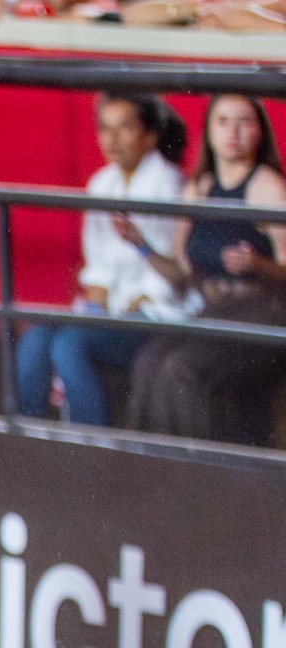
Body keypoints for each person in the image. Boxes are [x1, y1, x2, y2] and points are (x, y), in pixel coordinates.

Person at [14, 92, 189, 427]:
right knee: (35, 337)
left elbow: (174, 268)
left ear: (149, 135)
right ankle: (28, 437)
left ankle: (89, 443)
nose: (112, 140)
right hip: (113, 310)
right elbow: (98, 267)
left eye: (124, 128)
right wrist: (97, 307)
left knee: (69, 345)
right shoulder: (102, 183)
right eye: (105, 129)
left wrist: (128, 305)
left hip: (155, 310)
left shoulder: (168, 183)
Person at [127, 94, 286, 448]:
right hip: (211, 309)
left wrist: (257, 265)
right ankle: (147, 469)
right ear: (209, 131)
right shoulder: (197, 188)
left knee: (180, 369)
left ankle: (194, 478)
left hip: (262, 311)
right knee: (148, 360)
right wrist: (141, 245)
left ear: (260, 131)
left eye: (244, 121)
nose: (234, 132)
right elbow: (179, 274)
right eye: (223, 121)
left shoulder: (268, 186)